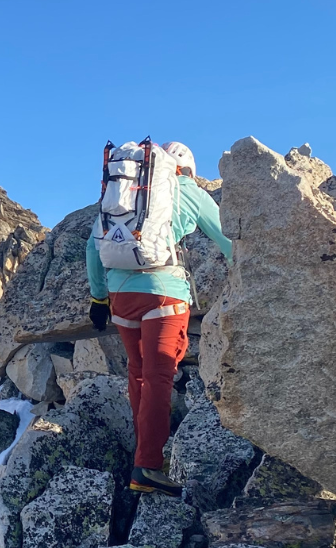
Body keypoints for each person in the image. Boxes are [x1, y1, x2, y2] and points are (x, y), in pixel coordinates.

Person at [85, 141, 232, 497]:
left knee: (137, 373)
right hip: (164, 292)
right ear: (187, 170)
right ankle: (148, 466)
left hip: (120, 296)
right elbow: (227, 237)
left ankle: (143, 454)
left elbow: (93, 247)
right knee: (158, 376)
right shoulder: (188, 191)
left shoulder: (131, 192)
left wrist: (99, 297)